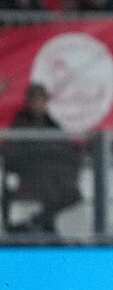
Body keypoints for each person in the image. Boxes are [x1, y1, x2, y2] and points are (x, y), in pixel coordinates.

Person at [3, 83, 81, 232]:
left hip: (57, 177)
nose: (38, 104)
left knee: (73, 194)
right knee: (51, 190)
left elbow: (66, 150)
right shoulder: (19, 124)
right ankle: (38, 224)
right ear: (28, 102)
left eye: (41, 100)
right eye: (35, 100)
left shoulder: (52, 124)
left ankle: (41, 221)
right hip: (30, 176)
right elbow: (12, 154)